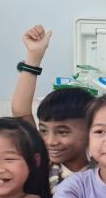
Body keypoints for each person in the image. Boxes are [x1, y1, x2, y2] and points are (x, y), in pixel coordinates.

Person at [9, 25, 92, 186]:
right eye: (43, 131)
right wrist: (34, 56)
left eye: (62, 132)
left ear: (91, 130)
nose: (50, 141)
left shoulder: (104, 174)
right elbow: (20, 112)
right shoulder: (42, 164)